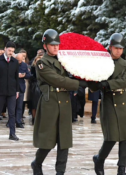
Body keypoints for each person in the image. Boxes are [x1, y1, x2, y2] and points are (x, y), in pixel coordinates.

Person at [31, 29, 87, 175]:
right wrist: (78, 84)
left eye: (57, 44)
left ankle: (60, 172)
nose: (56, 47)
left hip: (65, 102)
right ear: (45, 46)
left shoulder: (64, 60)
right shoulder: (42, 63)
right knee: (47, 140)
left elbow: (75, 73)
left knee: (64, 141)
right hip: (51, 103)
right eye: (52, 45)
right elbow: (57, 80)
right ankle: (37, 163)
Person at [90, 33, 126, 175]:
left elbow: (124, 81)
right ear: (110, 47)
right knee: (111, 137)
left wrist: (107, 83)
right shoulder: (102, 62)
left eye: (121, 48)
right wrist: (97, 83)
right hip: (108, 101)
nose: (118, 51)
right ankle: (100, 159)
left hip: (122, 101)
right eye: (116, 48)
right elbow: (94, 82)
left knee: (125, 138)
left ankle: (122, 169)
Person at [0, 41, 20, 141]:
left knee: (12, 113)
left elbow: (16, 77)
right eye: (9, 50)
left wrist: (17, 90)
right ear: (5, 49)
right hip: (0, 90)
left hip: (11, 91)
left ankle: (12, 133)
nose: (11, 52)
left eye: (12, 51)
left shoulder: (15, 62)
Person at [15, 53, 31, 128]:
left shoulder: (24, 65)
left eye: (20, 60)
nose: (19, 61)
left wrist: (24, 75)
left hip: (21, 87)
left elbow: (29, 75)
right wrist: (16, 75)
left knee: (19, 106)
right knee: (12, 106)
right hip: (12, 87)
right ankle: (10, 121)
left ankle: (18, 121)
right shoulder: (12, 64)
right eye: (18, 60)